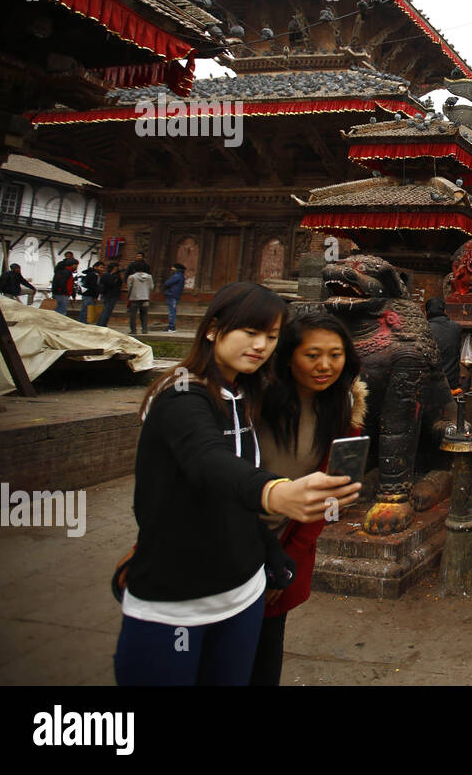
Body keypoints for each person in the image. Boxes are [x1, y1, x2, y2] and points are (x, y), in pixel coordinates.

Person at [113, 283, 363, 685]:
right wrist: (274, 492)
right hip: (176, 599)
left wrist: (276, 556)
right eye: (250, 332)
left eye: (271, 336)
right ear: (213, 329)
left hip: (244, 590)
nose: (261, 345)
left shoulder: (245, 393)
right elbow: (207, 459)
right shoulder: (183, 394)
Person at [251, 312, 366, 686]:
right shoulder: (251, 404)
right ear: (286, 356)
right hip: (230, 542)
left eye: (336, 355)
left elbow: (326, 499)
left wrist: (285, 565)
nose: (325, 366)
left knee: (264, 660)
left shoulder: (342, 409)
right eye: (312, 355)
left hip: (284, 549)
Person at [425, 297, 463, 391]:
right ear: (445, 311)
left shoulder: (425, 328)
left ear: (426, 312)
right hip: (452, 382)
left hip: (431, 384)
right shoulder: (456, 327)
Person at [127, 266, 154, 335]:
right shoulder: (149, 277)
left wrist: (128, 296)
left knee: (133, 315)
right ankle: (144, 329)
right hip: (145, 298)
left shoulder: (132, 277)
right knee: (144, 315)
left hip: (134, 298)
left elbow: (129, 287)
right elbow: (151, 287)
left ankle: (133, 330)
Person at [97, 262, 123, 327]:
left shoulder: (114, 275)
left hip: (110, 295)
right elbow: (110, 284)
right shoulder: (108, 275)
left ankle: (102, 323)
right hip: (109, 295)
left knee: (107, 310)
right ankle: (102, 324)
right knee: (107, 310)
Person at [163, 263, 187, 333]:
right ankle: (171, 327)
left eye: (173, 267)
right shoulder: (181, 276)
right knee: (173, 311)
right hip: (175, 295)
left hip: (172, 294)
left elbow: (167, 283)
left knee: (172, 312)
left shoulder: (176, 276)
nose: (171, 269)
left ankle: (171, 327)